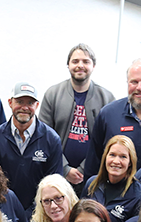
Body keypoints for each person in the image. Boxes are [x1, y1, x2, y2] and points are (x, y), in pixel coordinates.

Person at [40, 43, 116, 194]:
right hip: (57, 174)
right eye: (75, 61)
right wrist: (65, 168)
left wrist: (84, 168)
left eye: (86, 61)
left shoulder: (107, 98)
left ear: (93, 66)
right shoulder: (53, 94)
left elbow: (110, 141)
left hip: (93, 176)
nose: (80, 65)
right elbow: (43, 136)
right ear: (68, 65)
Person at [0, 82, 62, 215]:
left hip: (40, 211)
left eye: (30, 103)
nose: (24, 107)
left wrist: (34, 212)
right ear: (10, 103)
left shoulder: (51, 139)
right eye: (19, 102)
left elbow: (55, 183)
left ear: (37, 106)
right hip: (3, 210)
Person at [81, 135, 141, 222]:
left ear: (130, 162)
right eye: (112, 155)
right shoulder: (92, 184)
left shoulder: (138, 195)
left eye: (123, 157)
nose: (116, 161)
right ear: (105, 157)